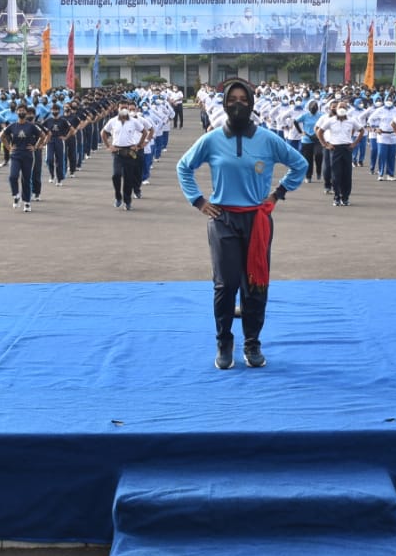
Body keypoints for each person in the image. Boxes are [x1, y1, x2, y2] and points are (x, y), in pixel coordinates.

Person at [176, 78, 308, 370]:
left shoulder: (267, 138)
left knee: (256, 285)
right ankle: (224, 341)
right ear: (224, 104)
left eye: (243, 99)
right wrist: (198, 201)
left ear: (251, 103)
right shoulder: (211, 139)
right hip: (222, 218)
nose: (238, 104)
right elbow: (184, 167)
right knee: (226, 284)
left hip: (257, 220)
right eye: (232, 99)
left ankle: (252, 343)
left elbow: (300, 164)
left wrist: (278, 194)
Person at [101, 100, 149, 210]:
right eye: (121, 107)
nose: (124, 110)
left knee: (128, 178)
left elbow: (145, 132)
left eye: (125, 108)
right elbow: (103, 133)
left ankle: (127, 202)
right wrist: (108, 146)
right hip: (117, 152)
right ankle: (118, 196)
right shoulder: (113, 121)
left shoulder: (133, 121)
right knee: (116, 175)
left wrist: (139, 145)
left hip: (130, 152)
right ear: (117, 109)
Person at [318, 99, 362, 206]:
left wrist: (354, 143)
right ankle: (337, 197)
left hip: (347, 148)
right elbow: (320, 131)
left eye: (344, 107)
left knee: (347, 174)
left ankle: (345, 197)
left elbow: (361, 130)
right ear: (336, 109)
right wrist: (325, 144)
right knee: (336, 174)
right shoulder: (331, 120)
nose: (342, 109)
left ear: (347, 109)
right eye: (340, 107)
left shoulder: (351, 120)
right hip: (335, 148)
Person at [1, 105, 44, 212]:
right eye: (19, 111)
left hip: (28, 155)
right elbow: (1, 136)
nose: (21, 112)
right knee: (13, 176)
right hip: (16, 155)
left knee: (26, 179)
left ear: (26, 112)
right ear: (16, 112)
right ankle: (16, 195)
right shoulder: (12, 126)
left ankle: (27, 203)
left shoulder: (31, 126)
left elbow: (42, 135)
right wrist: (9, 147)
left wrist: (36, 146)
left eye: (23, 111)